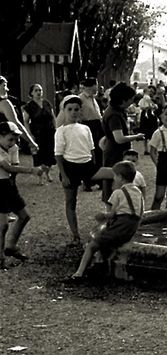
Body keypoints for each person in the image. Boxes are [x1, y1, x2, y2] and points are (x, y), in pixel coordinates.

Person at [67, 161, 144, 281]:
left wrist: (102, 216)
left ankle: (79, 273)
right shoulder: (138, 192)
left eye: (114, 176)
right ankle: (100, 265)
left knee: (92, 245)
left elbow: (112, 214)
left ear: (120, 178)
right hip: (133, 227)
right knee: (106, 239)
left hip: (121, 226)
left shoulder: (118, 193)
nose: (113, 179)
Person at [55, 96, 115, 244]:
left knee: (115, 173)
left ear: (80, 111)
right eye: (70, 109)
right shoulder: (61, 131)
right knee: (71, 201)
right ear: (64, 111)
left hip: (87, 165)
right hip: (70, 167)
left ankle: (113, 212)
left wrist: (94, 166)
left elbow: (92, 149)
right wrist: (64, 175)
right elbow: (58, 155)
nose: (73, 112)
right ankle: (75, 235)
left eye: (76, 109)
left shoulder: (85, 128)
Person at [0, 122, 43, 268]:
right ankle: (0, 258)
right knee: (3, 224)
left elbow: (14, 168)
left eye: (15, 139)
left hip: (8, 185)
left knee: (24, 216)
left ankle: (11, 246)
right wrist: (31, 170)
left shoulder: (12, 148)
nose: (13, 143)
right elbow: (9, 167)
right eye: (10, 139)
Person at [101, 82, 145, 205]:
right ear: (123, 99)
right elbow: (119, 138)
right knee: (115, 182)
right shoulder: (114, 115)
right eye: (130, 99)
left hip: (116, 151)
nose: (132, 101)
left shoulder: (117, 110)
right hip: (115, 153)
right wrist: (136, 137)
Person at [22, 83, 56, 184]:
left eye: (40, 90)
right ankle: (40, 177)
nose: (38, 92)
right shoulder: (29, 106)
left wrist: (56, 128)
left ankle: (47, 173)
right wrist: (29, 134)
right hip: (37, 133)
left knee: (50, 154)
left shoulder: (46, 103)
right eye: (36, 90)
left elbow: (53, 116)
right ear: (31, 93)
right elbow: (26, 121)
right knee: (39, 155)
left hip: (49, 132)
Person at [0, 76, 39, 155]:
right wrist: (31, 142)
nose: (7, 89)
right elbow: (16, 124)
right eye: (4, 85)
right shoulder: (4, 103)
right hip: (6, 144)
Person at [79, 78, 106, 169]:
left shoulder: (93, 98)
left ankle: (99, 166)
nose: (97, 88)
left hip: (98, 125)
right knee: (91, 148)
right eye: (96, 85)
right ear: (91, 86)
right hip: (88, 125)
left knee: (100, 147)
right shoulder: (81, 99)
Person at [138, 85, 160, 155]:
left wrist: (153, 106)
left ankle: (152, 149)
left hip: (151, 116)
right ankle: (146, 149)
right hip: (146, 115)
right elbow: (142, 106)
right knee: (145, 132)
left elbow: (156, 107)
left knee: (152, 132)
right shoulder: (144, 99)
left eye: (151, 91)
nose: (150, 92)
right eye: (149, 91)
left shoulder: (153, 99)